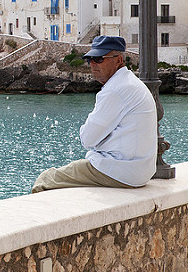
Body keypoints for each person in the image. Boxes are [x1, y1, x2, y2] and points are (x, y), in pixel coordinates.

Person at [31, 35, 157, 193]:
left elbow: (87, 139)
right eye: (90, 59)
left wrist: (100, 140)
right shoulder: (130, 83)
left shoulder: (115, 90)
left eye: (99, 59)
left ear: (118, 60)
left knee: (46, 178)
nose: (92, 64)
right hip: (139, 171)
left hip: (120, 171)